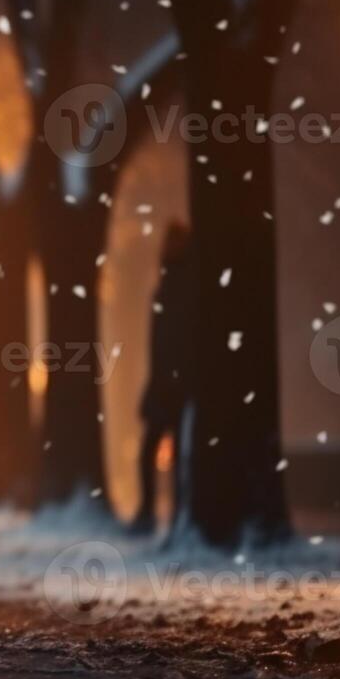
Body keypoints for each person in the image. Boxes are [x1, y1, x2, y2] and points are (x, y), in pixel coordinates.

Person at [131, 219, 193, 534]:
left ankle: (174, 512)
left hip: (177, 384)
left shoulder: (180, 286)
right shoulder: (168, 284)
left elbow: (172, 341)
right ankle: (154, 512)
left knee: (174, 452)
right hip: (165, 382)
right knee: (152, 451)